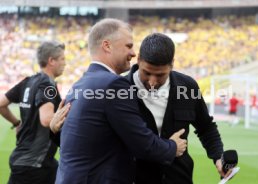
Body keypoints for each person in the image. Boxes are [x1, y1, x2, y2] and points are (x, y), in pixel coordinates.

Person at [51, 33, 229, 184]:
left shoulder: (187, 87)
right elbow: (85, 141)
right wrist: (55, 131)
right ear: (139, 60)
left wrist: (218, 156)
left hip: (179, 178)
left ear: (172, 65)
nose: (152, 81)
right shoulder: (117, 89)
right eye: (147, 73)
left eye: (160, 75)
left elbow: (206, 127)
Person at [55, 18, 187, 184]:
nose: (133, 53)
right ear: (107, 46)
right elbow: (142, 143)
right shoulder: (114, 84)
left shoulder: (80, 84)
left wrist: (54, 130)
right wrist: (172, 147)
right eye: (129, 46)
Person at [0, 41, 66, 184]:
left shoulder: (28, 81)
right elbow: (46, 119)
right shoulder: (47, 85)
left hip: (31, 161)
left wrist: (16, 123)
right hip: (34, 166)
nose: (65, 63)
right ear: (51, 61)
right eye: (62, 59)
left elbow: (1, 104)